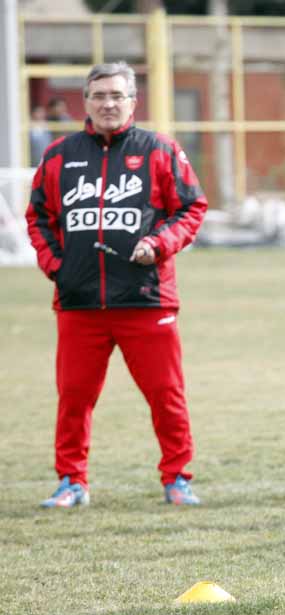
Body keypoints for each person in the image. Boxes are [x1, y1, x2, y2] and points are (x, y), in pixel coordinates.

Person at [25, 61, 208, 508]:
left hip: (146, 300)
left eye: (117, 95)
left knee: (166, 396)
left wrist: (160, 244)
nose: (108, 103)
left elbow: (191, 209)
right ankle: (72, 481)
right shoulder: (58, 155)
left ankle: (177, 479)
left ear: (132, 101)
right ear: (85, 102)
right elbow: (38, 217)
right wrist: (57, 267)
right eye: (99, 95)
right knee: (74, 399)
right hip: (79, 303)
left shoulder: (159, 150)